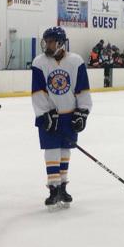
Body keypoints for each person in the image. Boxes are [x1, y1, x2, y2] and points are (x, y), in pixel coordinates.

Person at [32, 27, 92, 210]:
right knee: (51, 151)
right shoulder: (39, 62)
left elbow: (82, 89)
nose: (47, 44)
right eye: (46, 41)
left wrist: (82, 112)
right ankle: (53, 189)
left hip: (69, 115)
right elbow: (38, 91)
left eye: (51, 41)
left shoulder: (76, 61)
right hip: (49, 115)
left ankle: (63, 186)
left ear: (60, 43)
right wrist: (45, 113)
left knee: (65, 151)